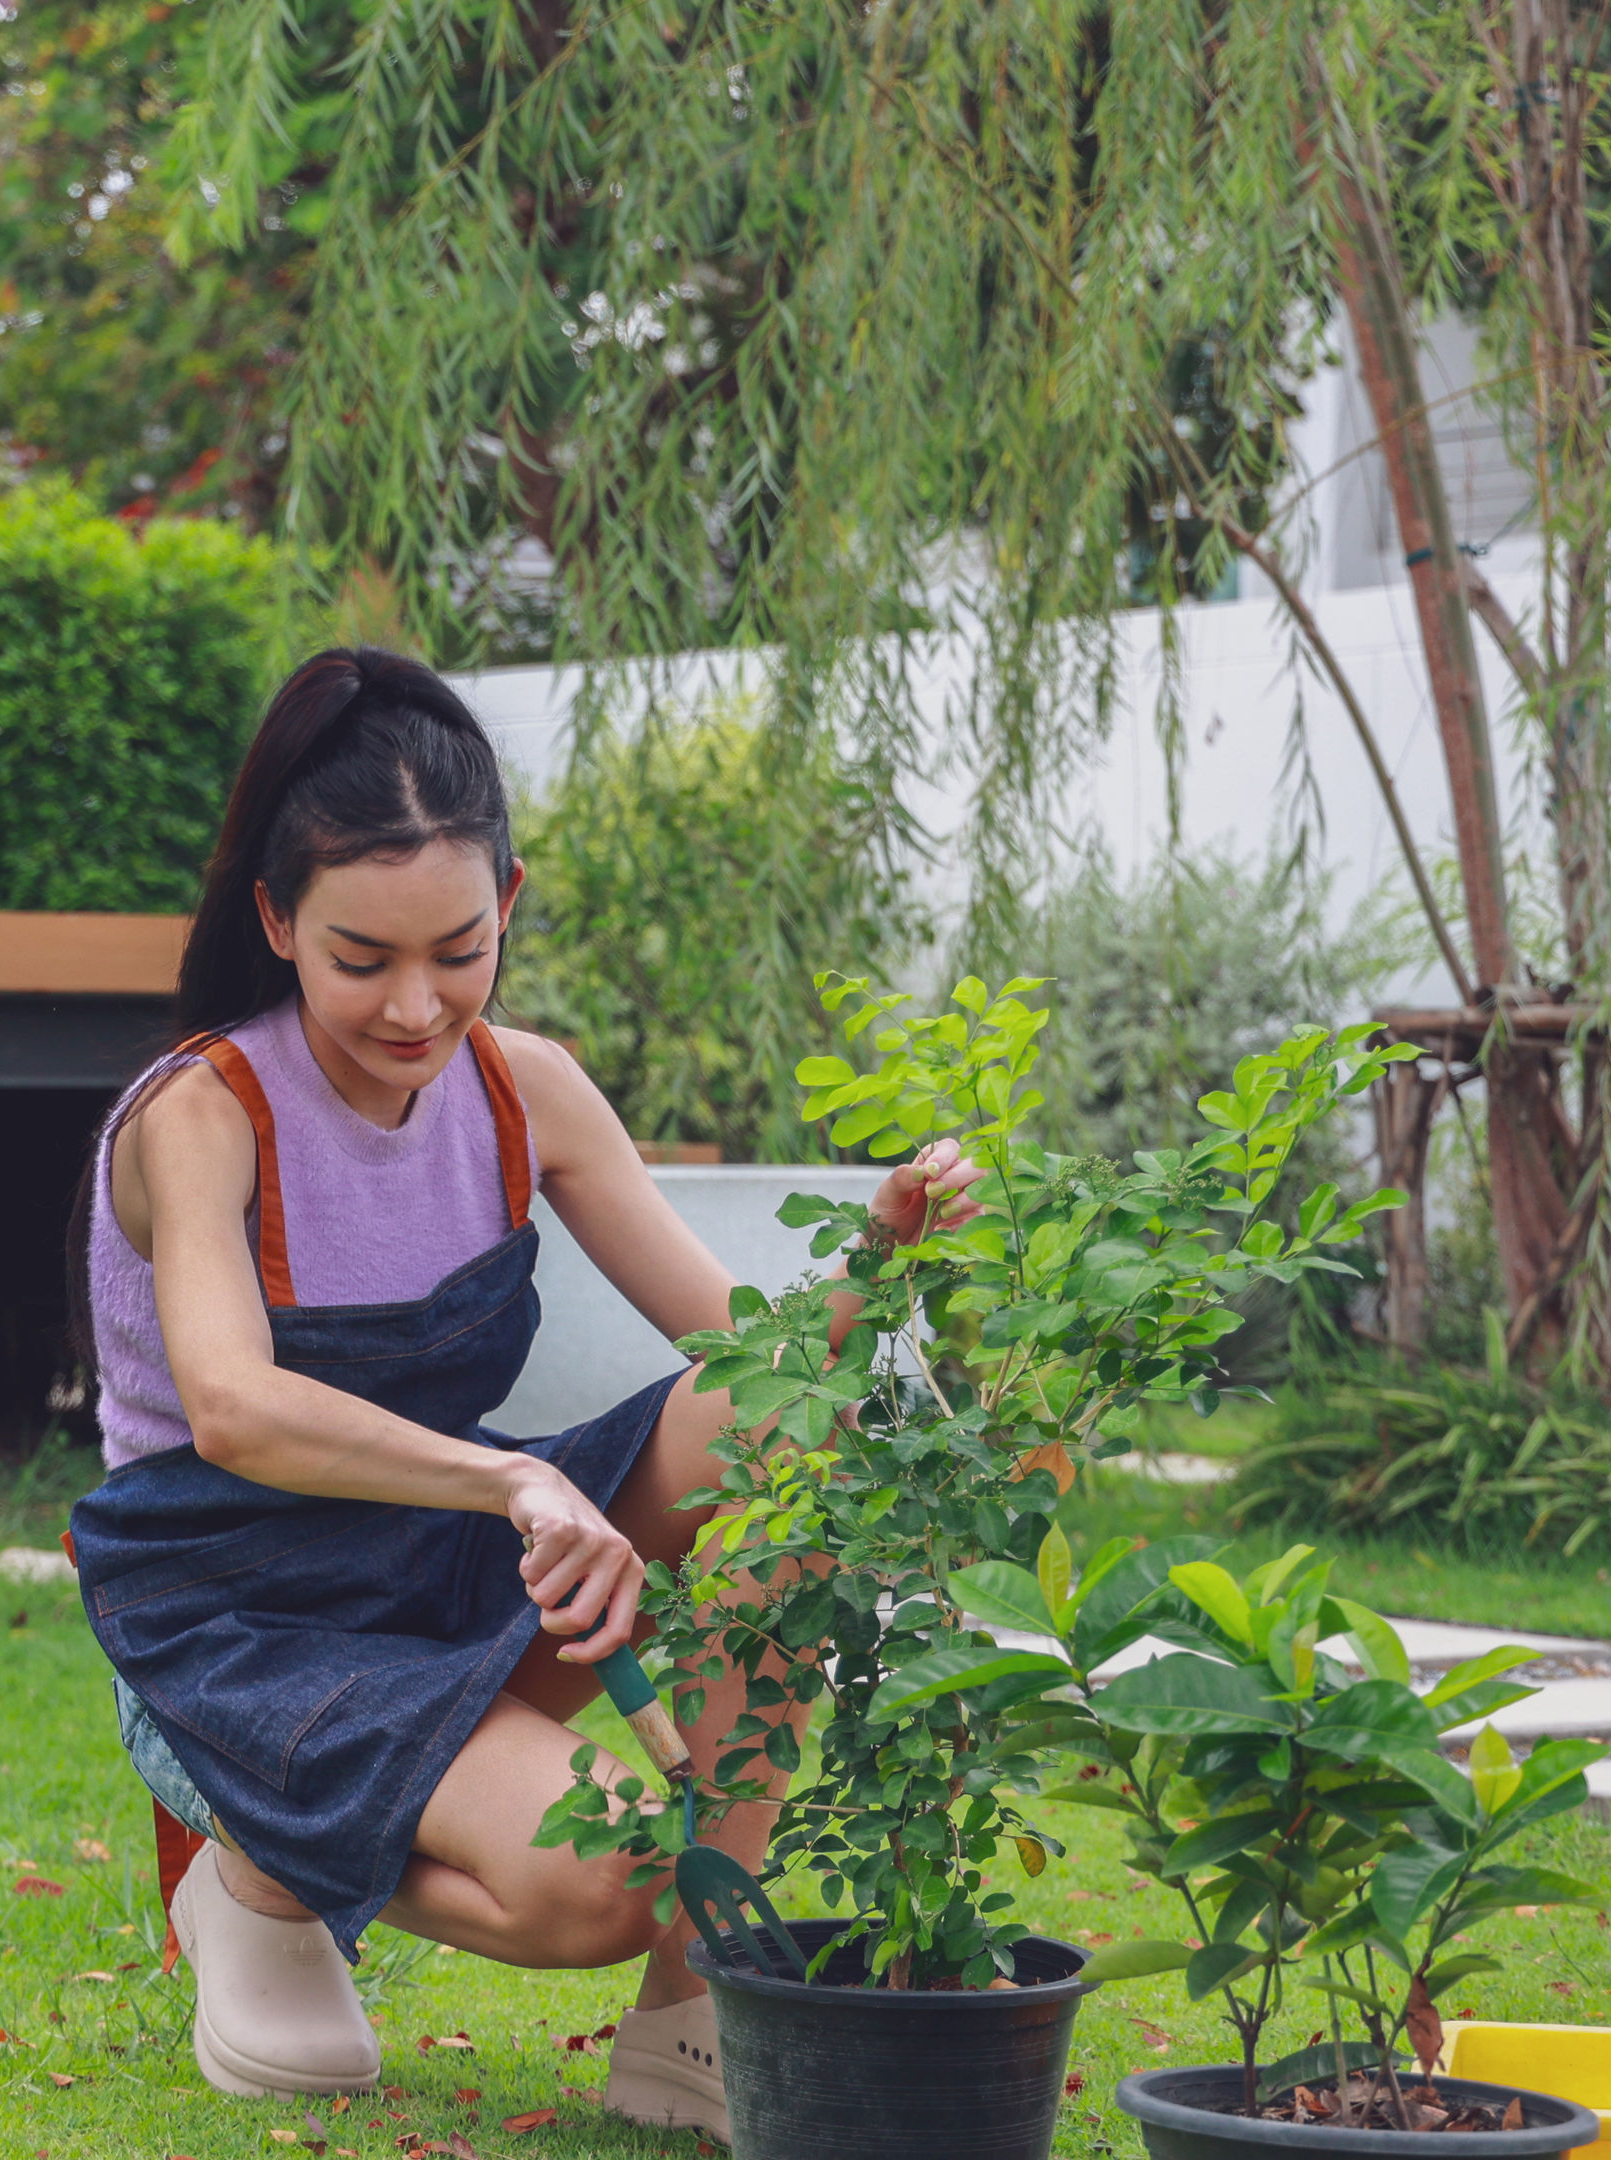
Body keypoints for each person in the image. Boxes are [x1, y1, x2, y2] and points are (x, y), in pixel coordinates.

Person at [65, 649, 978, 2140]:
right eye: (362, 959)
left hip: (441, 1557)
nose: (417, 1007)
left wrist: (887, 1254)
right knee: (609, 1861)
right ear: (278, 920)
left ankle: (698, 2012)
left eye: (460, 950)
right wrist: (509, 1479)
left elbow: (753, 1361)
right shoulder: (203, 1116)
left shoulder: (528, 1093)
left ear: (511, 902)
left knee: (788, 1437)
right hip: (237, 1607)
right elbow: (231, 1410)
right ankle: (264, 1874)